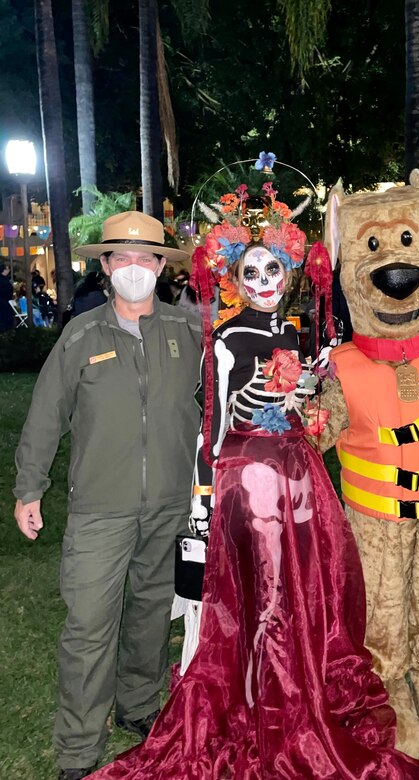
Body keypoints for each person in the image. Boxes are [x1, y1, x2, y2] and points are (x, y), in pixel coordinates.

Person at [89, 188, 419, 779]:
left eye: (274, 268)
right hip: (250, 478)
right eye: (252, 272)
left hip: (298, 470)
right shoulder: (225, 338)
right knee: (268, 596)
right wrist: (203, 503)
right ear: (235, 279)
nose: (265, 279)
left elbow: (307, 415)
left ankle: (297, 689)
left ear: (290, 270)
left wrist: (310, 403)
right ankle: (270, 707)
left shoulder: (295, 333)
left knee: (304, 592)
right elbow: (212, 427)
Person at [13, 211, 202, 780]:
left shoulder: (189, 331)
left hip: (170, 505)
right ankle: (78, 747)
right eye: (123, 257)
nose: (136, 267)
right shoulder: (82, 334)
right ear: (105, 266)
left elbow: (219, 404)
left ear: (162, 267)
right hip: (100, 509)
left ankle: (139, 706)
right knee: (90, 627)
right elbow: (47, 416)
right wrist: (29, 487)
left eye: (147, 258)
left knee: (149, 615)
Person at [0, 262, 14, 330]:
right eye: (8, 269)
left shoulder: (6, 279)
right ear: (4, 270)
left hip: (7, 301)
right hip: (3, 301)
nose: (9, 270)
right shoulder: (2, 279)